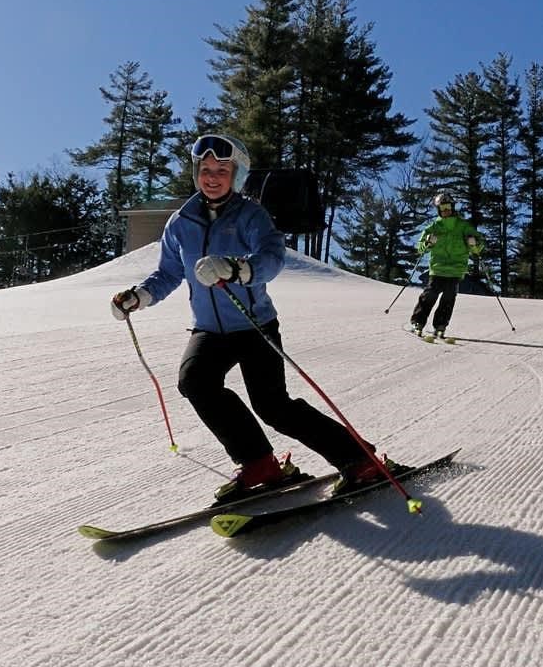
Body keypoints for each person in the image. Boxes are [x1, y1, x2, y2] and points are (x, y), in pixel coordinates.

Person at [111, 133, 400, 500]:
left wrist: (235, 269)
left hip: (253, 324)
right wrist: (139, 296)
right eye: (205, 169)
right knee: (195, 382)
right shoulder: (180, 222)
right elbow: (168, 273)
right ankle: (259, 463)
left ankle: (360, 460)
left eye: (222, 170)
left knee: (274, 406)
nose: (212, 177)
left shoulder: (250, 214)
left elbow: (272, 256)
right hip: (209, 330)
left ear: (237, 175)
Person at [408, 192, 482, 340]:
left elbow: (477, 248)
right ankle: (418, 322)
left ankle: (440, 326)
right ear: (438, 210)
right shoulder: (434, 227)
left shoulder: (464, 226)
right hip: (438, 268)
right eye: (442, 208)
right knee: (430, 295)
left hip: (456, 270)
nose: (445, 210)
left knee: (449, 298)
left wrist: (474, 243)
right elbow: (420, 248)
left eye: (448, 207)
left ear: (453, 207)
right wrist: (428, 243)